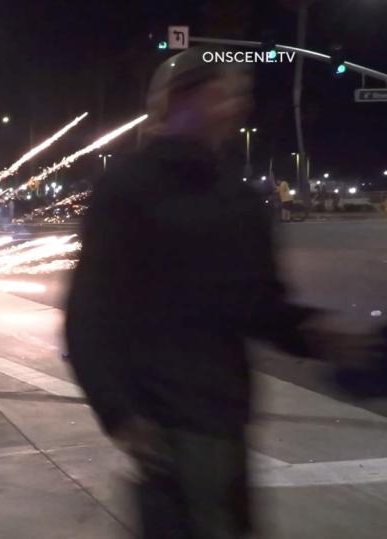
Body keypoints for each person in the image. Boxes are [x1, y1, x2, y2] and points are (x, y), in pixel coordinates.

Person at [65, 47, 378, 539]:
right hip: (167, 423)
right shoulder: (126, 189)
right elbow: (87, 315)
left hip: (226, 419)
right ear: (173, 102)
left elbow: (258, 307)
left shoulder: (240, 198)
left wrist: (316, 333)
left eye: (237, 95)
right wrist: (119, 412)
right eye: (219, 92)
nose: (233, 105)